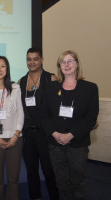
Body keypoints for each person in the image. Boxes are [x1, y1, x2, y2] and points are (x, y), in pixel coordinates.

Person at [42, 50, 99, 200]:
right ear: (59, 66)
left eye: (70, 61)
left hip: (78, 144)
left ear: (77, 64)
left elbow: (91, 118)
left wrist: (70, 135)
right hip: (55, 144)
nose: (66, 65)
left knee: (78, 183)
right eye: (62, 62)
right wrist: (55, 134)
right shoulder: (51, 87)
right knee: (61, 182)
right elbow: (44, 115)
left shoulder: (90, 88)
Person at [18, 48, 59, 200]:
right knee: (31, 170)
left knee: (49, 170)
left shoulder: (51, 79)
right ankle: (36, 197)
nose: (32, 62)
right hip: (28, 133)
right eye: (29, 59)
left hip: (46, 133)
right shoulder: (22, 82)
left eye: (35, 59)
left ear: (42, 60)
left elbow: (58, 107)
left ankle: (55, 196)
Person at [0, 56, 24, 200]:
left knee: (13, 179)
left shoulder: (15, 88)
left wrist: (16, 135)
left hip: (15, 139)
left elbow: (20, 112)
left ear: (7, 69)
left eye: (3, 66)